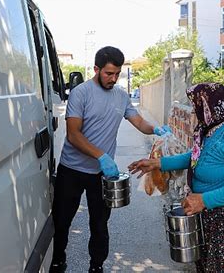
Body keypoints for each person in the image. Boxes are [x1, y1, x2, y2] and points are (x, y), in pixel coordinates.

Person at [50, 46, 171, 273]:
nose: (113, 78)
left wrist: (156, 128)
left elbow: (138, 122)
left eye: (117, 74)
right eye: (108, 73)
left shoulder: (121, 96)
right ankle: (58, 262)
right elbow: (74, 134)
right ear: (96, 69)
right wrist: (101, 156)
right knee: (62, 222)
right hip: (72, 170)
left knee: (99, 225)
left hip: (100, 175)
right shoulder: (80, 93)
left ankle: (96, 266)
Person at [128, 82, 224, 272]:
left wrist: (203, 200)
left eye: (197, 106)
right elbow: (195, 157)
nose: (194, 112)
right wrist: (158, 163)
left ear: (211, 104)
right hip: (212, 216)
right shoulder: (213, 127)